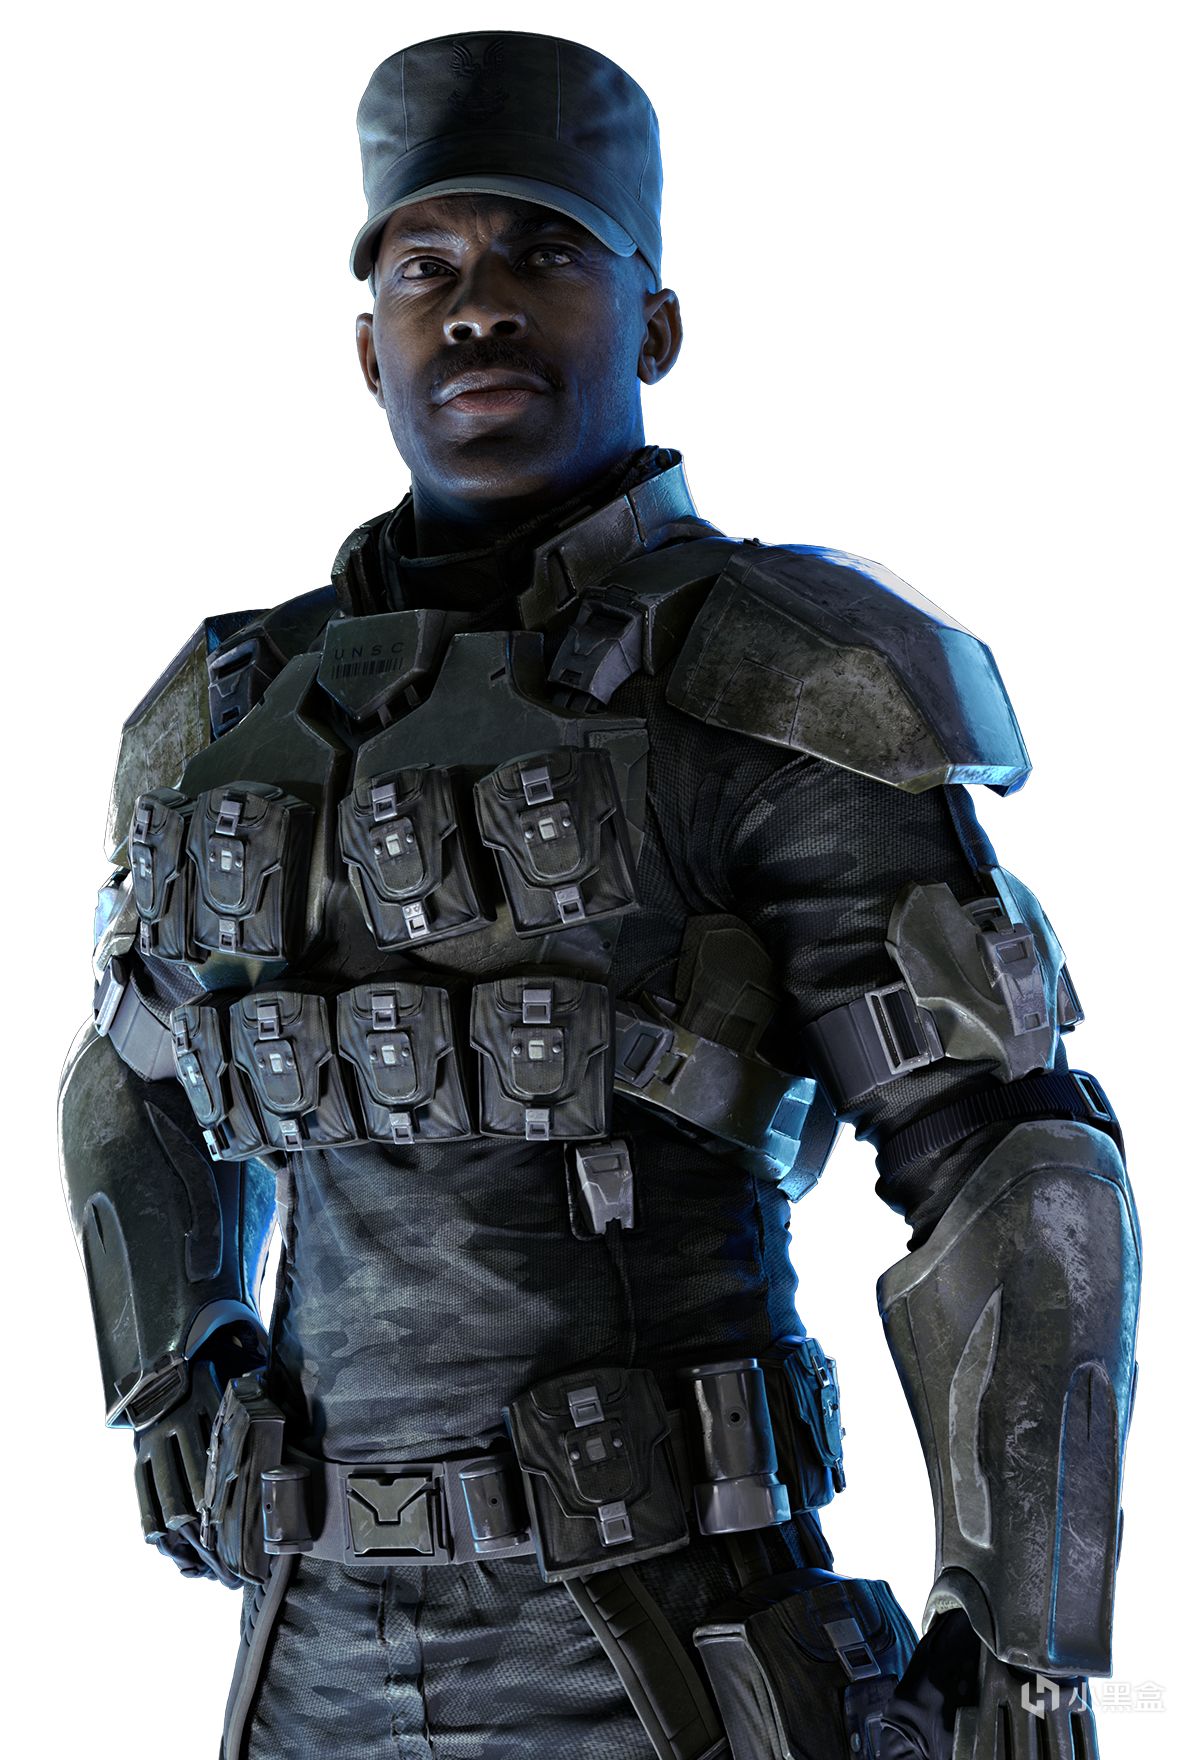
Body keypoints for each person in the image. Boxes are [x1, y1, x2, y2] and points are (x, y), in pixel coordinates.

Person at [59, 30, 1140, 1760]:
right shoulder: (223, 717)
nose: (478, 307)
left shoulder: (780, 678)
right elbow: (131, 1077)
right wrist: (173, 1368)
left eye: (545, 252)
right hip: (307, 1655)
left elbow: (1006, 1159)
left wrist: (1020, 1646)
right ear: (367, 346)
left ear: (656, 323)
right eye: (426, 267)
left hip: (667, 1646)